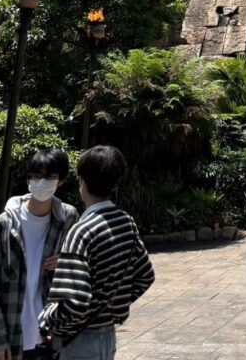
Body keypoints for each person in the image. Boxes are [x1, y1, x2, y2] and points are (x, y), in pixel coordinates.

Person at [39, 145, 154, 360]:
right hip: (107, 336)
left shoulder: (82, 232)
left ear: (82, 181)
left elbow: (75, 302)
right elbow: (145, 275)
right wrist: (113, 305)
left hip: (78, 342)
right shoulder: (126, 222)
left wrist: (47, 322)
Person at [0, 147, 77, 360]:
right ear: (29, 180)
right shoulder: (5, 224)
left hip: (53, 335)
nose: (42, 182)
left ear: (60, 181)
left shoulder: (69, 219)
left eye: (50, 176)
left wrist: (68, 263)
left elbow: (85, 270)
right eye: (36, 176)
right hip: (13, 334)